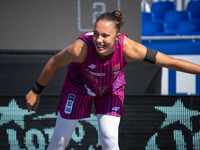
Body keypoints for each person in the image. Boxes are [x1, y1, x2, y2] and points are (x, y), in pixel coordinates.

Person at [25, 10, 200, 150]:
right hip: (78, 87)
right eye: (96, 34)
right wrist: (36, 90)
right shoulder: (81, 49)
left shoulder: (129, 49)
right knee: (58, 141)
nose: (99, 40)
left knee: (109, 139)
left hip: (109, 89)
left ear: (117, 37)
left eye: (105, 36)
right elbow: (54, 61)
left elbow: (171, 62)